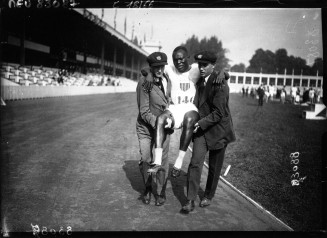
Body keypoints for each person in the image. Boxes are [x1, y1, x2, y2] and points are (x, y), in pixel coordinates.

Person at [142, 46, 229, 178]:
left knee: (189, 119)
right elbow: (149, 68)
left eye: (182, 59)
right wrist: (148, 74)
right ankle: (157, 161)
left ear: (187, 58)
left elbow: (216, 72)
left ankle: (179, 160)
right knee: (160, 119)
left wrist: (223, 72)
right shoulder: (170, 69)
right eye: (175, 60)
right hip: (175, 108)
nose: (179, 62)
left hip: (190, 108)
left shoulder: (196, 69)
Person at [181, 51, 236, 214]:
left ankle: (208, 195)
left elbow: (219, 113)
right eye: (200, 65)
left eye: (205, 65)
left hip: (219, 130)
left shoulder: (220, 83)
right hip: (202, 130)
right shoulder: (200, 81)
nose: (201, 68)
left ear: (213, 66)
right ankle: (190, 200)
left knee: (214, 167)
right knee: (195, 162)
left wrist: (200, 123)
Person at [136, 52, 172, 206]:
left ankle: (161, 190)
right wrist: (158, 122)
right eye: (156, 67)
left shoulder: (167, 79)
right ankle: (148, 188)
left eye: (162, 66)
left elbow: (168, 102)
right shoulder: (144, 82)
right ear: (150, 67)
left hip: (162, 127)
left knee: (162, 160)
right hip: (146, 126)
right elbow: (143, 111)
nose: (159, 69)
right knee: (146, 158)